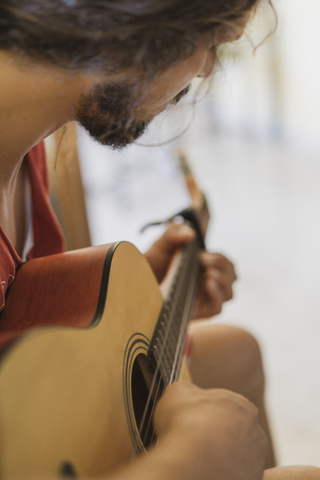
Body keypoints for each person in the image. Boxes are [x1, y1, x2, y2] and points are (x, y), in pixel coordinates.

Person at [0, 0, 319, 479]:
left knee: (238, 350)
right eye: (210, 42)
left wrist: (130, 301)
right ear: (129, 25)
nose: (206, 68)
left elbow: (25, 329)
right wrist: (188, 463)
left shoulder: (28, 149)